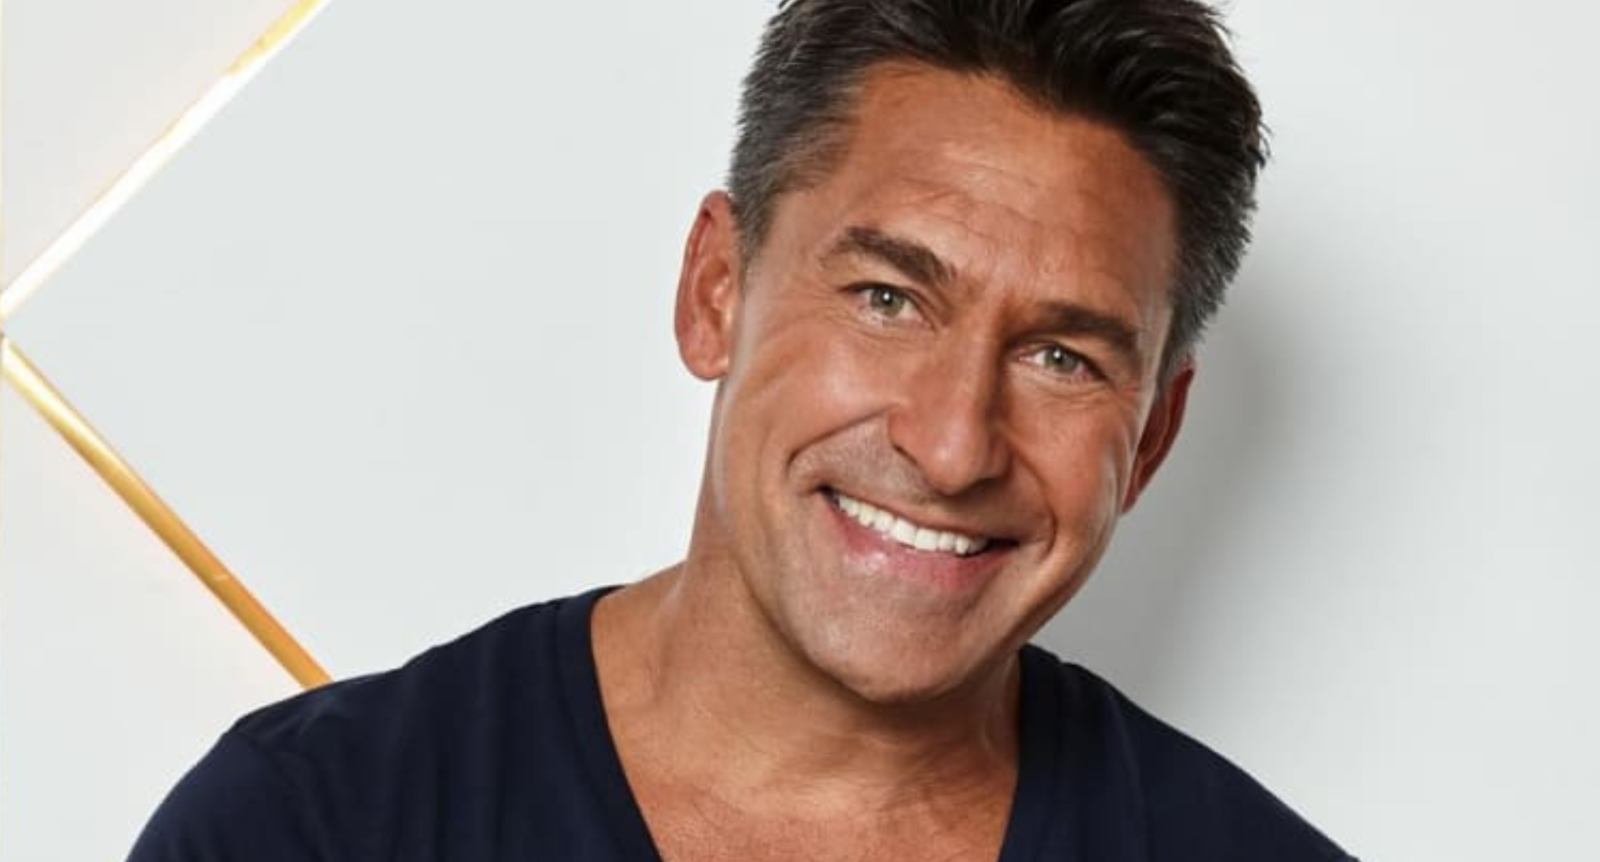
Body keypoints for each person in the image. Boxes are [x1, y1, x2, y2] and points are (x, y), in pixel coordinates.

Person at [130, 1, 1356, 860]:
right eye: (886, 298)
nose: (950, 447)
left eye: (1061, 358)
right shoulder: (312, 822)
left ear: (1151, 439)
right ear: (716, 289)